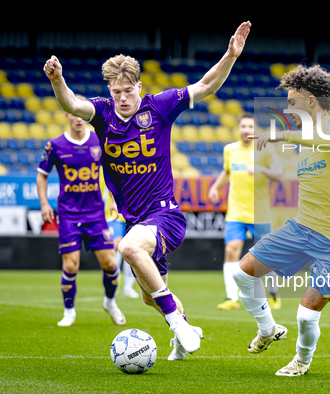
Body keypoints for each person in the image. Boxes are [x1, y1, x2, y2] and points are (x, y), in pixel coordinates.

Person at [43, 21, 251, 359]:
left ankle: (178, 325)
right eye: (116, 92)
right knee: (148, 294)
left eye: (128, 91)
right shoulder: (103, 113)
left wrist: (230, 56)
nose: (122, 98)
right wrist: (57, 80)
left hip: (165, 214)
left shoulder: (161, 106)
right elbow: (71, 105)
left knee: (127, 248)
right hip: (135, 219)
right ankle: (184, 333)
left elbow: (207, 84)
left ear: (139, 86)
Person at [233, 64, 330, 376]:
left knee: (306, 316)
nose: (289, 109)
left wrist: (283, 134)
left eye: (293, 102)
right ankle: (267, 329)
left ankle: (301, 361)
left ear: (311, 101)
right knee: (243, 274)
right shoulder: (305, 142)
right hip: (302, 229)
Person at [36, 104, 126, 328]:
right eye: (73, 114)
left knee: (110, 264)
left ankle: (110, 302)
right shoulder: (55, 146)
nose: (78, 119)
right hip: (68, 215)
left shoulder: (99, 140)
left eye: (81, 115)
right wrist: (45, 203)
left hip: (96, 214)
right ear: (67, 115)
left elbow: (113, 170)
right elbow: (42, 175)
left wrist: (115, 199)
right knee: (71, 266)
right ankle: (69, 312)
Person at [208, 113, 284, 311]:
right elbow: (227, 171)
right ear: (239, 128)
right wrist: (216, 187)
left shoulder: (265, 150)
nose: (247, 130)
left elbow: (279, 175)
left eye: (250, 127)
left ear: (255, 130)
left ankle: (273, 293)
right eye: (243, 126)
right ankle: (231, 298)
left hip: (260, 214)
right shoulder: (230, 150)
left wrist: (261, 169)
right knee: (231, 251)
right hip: (235, 213)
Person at [100, 172, 139, 298]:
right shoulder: (107, 167)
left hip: (130, 216)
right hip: (113, 215)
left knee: (131, 250)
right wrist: (113, 201)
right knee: (114, 248)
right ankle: (113, 283)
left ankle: (128, 286)